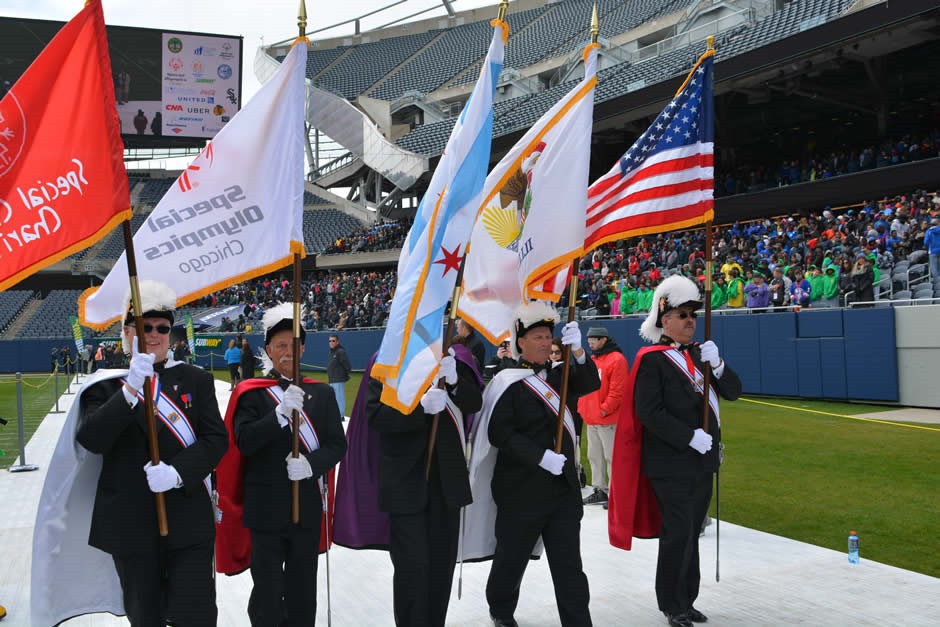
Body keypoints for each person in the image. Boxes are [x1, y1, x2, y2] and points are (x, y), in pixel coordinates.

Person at [47, 281, 229, 626]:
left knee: (197, 615)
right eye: (145, 327)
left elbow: (216, 440)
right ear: (129, 333)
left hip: (188, 519)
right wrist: (130, 389)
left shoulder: (196, 380)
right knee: (146, 618)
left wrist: (177, 473)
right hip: (129, 524)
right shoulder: (104, 385)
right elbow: (92, 438)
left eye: (163, 327)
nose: (155, 334)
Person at [607, 275, 741, 627]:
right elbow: (649, 413)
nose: (690, 321)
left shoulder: (701, 355)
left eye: (693, 315)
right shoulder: (652, 360)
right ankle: (671, 603)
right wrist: (688, 437)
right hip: (671, 462)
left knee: (692, 532)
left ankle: (688, 599)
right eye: (682, 315)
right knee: (678, 533)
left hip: (702, 462)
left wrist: (721, 366)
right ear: (664, 320)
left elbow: (734, 392)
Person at [467, 301, 600, 627]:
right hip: (520, 490)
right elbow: (500, 433)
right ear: (520, 342)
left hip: (563, 492)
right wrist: (539, 456)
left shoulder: (561, 376)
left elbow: (590, 384)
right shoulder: (506, 381)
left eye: (547, 337)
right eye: (538, 337)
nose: (545, 342)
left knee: (569, 564)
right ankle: (500, 609)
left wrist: (579, 352)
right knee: (511, 560)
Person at [217, 303, 347, 626]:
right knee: (268, 596)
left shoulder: (323, 395)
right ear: (269, 351)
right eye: (281, 346)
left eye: (295, 345)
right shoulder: (251, 394)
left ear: (303, 348)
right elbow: (244, 441)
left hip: (306, 510)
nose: (289, 352)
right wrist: (277, 416)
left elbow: (337, 445)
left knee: (303, 595)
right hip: (265, 512)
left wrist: (312, 465)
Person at [367, 342, 483, 627]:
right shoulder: (387, 364)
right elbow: (377, 417)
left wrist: (455, 380)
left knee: (441, 568)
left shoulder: (451, 360)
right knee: (412, 569)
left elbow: (474, 403)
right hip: (405, 482)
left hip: (446, 483)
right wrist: (419, 409)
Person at [578, 326, 628, 508]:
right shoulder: (593, 359)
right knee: (594, 456)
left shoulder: (617, 359)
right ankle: (601, 490)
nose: (590, 343)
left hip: (608, 420)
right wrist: (584, 409)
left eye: (594, 339)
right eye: (589, 339)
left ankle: (616, 493)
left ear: (603, 340)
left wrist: (604, 410)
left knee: (612, 458)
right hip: (592, 418)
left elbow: (618, 391)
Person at [327, 334, 352, 418]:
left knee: (339, 398)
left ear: (337, 342)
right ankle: (335, 415)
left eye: (333, 341)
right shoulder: (332, 351)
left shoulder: (340, 351)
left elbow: (347, 365)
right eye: (330, 341)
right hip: (332, 379)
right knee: (333, 398)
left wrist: (344, 375)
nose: (331, 342)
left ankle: (341, 416)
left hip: (338, 379)